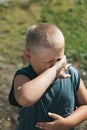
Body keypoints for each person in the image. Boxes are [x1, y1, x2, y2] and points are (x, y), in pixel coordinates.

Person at [9, 23, 87, 130]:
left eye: (59, 60)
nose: (57, 65)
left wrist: (68, 123)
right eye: (50, 63)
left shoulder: (71, 74)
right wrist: (54, 70)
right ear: (28, 56)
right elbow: (25, 98)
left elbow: (85, 105)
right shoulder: (24, 76)